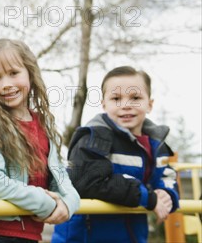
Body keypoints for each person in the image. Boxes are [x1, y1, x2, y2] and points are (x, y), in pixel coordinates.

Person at [0, 38, 80, 243]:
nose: (7, 84)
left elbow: (61, 177)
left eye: (14, 73)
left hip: (30, 235)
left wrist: (68, 203)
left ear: (29, 72)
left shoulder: (44, 125)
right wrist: (46, 203)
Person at [52, 66, 179, 243]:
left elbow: (167, 175)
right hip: (84, 236)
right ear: (104, 104)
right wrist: (147, 197)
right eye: (116, 98)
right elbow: (86, 181)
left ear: (149, 104)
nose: (125, 105)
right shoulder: (93, 137)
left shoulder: (157, 145)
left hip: (131, 235)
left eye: (135, 98)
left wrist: (166, 194)